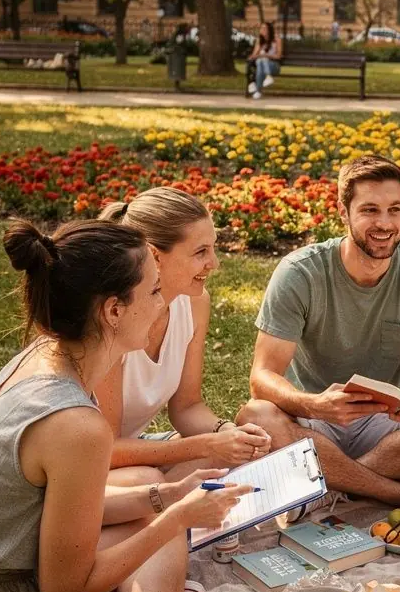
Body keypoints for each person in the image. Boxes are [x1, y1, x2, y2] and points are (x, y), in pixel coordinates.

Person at [0, 218, 251, 592]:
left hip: (21, 580)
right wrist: (176, 520)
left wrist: (165, 496)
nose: (163, 303)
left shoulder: (43, 359)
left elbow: (51, 513)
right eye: (153, 291)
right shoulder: (76, 424)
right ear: (113, 310)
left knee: (140, 489)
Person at [237, 155, 400, 513]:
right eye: (370, 210)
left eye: (394, 210)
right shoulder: (299, 272)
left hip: (385, 425)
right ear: (343, 212)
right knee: (256, 416)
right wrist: (314, 404)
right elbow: (262, 378)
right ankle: (399, 494)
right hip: (313, 419)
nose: (384, 224)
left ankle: (328, 485)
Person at [97, 189, 271, 490]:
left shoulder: (193, 303)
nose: (214, 263)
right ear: (154, 255)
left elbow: (187, 407)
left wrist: (226, 431)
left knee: (229, 458)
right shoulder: (111, 316)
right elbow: (106, 449)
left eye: (213, 249)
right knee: (148, 482)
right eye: (200, 252)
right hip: (82, 463)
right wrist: (208, 445)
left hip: (130, 452)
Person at [247, 22, 283, 98]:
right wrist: (259, 48)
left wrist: (266, 55)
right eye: (261, 28)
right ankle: (267, 77)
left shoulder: (277, 39)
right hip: (261, 65)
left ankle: (258, 90)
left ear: (269, 30)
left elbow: (278, 56)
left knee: (262, 60)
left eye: (265, 28)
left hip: (274, 66)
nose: (262, 30)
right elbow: (254, 56)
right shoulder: (259, 40)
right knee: (260, 62)